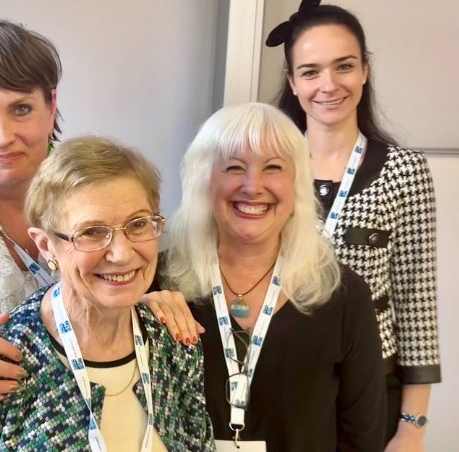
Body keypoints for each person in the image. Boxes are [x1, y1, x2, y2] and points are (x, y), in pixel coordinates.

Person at [0, 19, 200, 449]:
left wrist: (145, 306)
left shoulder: (114, 197)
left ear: (51, 107)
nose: (2, 136)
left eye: (20, 108)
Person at [0, 135, 215, 450]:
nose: (121, 254)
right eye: (92, 233)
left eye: (137, 224)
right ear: (46, 245)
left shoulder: (174, 343)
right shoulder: (0, 362)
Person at [160, 103, 385, 451]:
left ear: (297, 183)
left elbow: (363, 436)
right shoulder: (158, 284)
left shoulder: (344, 295)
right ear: (205, 180)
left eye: (274, 168)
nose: (253, 186)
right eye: (234, 167)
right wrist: (128, 311)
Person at [267, 2, 440, 450]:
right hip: (278, 379)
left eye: (343, 66)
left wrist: (411, 430)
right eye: (310, 72)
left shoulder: (405, 171)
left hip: (368, 386)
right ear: (292, 82)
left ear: (364, 70)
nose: (328, 85)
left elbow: (417, 305)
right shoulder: (267, 168)